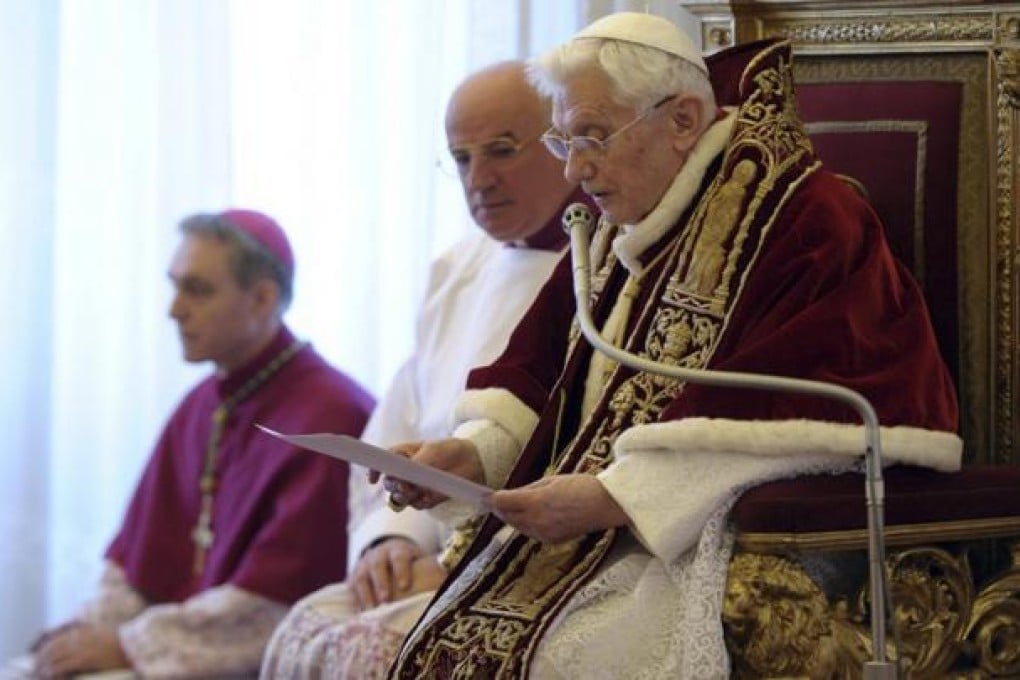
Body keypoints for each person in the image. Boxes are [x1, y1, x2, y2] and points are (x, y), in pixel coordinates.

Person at [383, 13, 963, 679]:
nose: (576, 168)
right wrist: (473, 454)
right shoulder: (614, 219)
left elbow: (826, 410)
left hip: (705, 536)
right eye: (565, 140)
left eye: (594, 138)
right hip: (597, 534)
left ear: (683, 120)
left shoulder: (806, 220)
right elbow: (546, 378)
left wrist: (615, 497)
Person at [259, 60, 590, 679]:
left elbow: (585, 453)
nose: (479, 180)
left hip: (528, 566)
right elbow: (396, 430)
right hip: (423, 559)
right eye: (460, 159)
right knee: (304, 631)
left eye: (501, 150)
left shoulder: (605, 274)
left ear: (563, 142)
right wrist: (390, 537)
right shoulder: (456, 270)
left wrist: (460, 559)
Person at [17, 209, 374, 678]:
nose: (175, 309)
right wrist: (89, 632)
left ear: (263, 298)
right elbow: (135, 563)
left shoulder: (330, 414)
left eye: (198, 290)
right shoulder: (203, 403)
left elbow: (274, 607)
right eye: (175, 285)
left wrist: (131, 647)